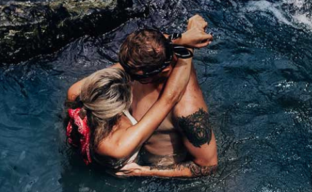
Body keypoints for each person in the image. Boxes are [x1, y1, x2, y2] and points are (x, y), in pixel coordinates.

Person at [67, 15, 218, 178]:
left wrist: (143, 171)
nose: (124, 74)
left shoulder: (187, 108)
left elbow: (207, 166)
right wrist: (185, 37)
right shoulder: (146, 59)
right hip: (113, 143)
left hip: (154, 171)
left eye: (135, 74)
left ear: (163, 71)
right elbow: (155, 42)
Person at [65, 57, 193, 171]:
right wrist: (187, 53)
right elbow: (169, 99)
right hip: (115, 166)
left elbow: (130, 62)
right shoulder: (117, 145)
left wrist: (180, 39)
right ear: (116, 109)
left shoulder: (75, 93)